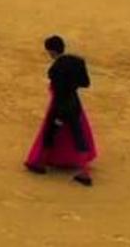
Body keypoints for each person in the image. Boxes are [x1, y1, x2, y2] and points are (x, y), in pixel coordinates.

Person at [26, 35, 96, 185]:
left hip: (60, 106)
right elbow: (85, 83)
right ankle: (84, 173)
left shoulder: (55, 69)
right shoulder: (78, 62)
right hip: (75, 104)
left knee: (50, 133)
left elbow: (58, 92)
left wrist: (58, 114)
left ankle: (39, 163)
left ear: (51, 51)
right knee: (79, 136)